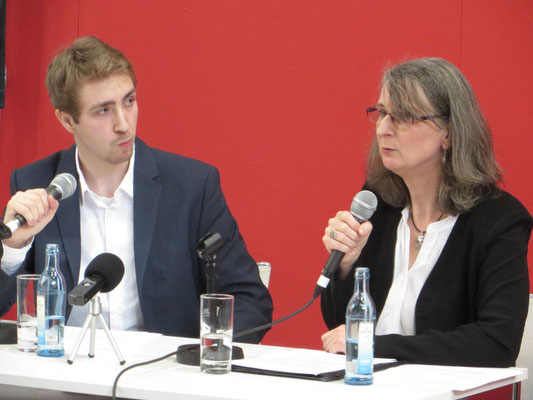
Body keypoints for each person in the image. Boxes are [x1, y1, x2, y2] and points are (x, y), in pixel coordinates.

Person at [0, 36, 273, 343]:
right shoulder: (34, 183)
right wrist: (12, 250)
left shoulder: (191, 186)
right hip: (63, 372)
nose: (123, 125)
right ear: (67, 120)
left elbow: (250, 301)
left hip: (161, 377)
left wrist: (202, 356)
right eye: (103, 110)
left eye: (128, 101)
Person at [320, 57, 532, 367]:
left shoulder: (498, 220)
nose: (383, 129)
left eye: (403, 117)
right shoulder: (379, 203)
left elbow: (496, 343)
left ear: (448, 132)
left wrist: (376, 345)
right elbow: (339, 328)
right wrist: (345, 267)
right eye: (381, 113)